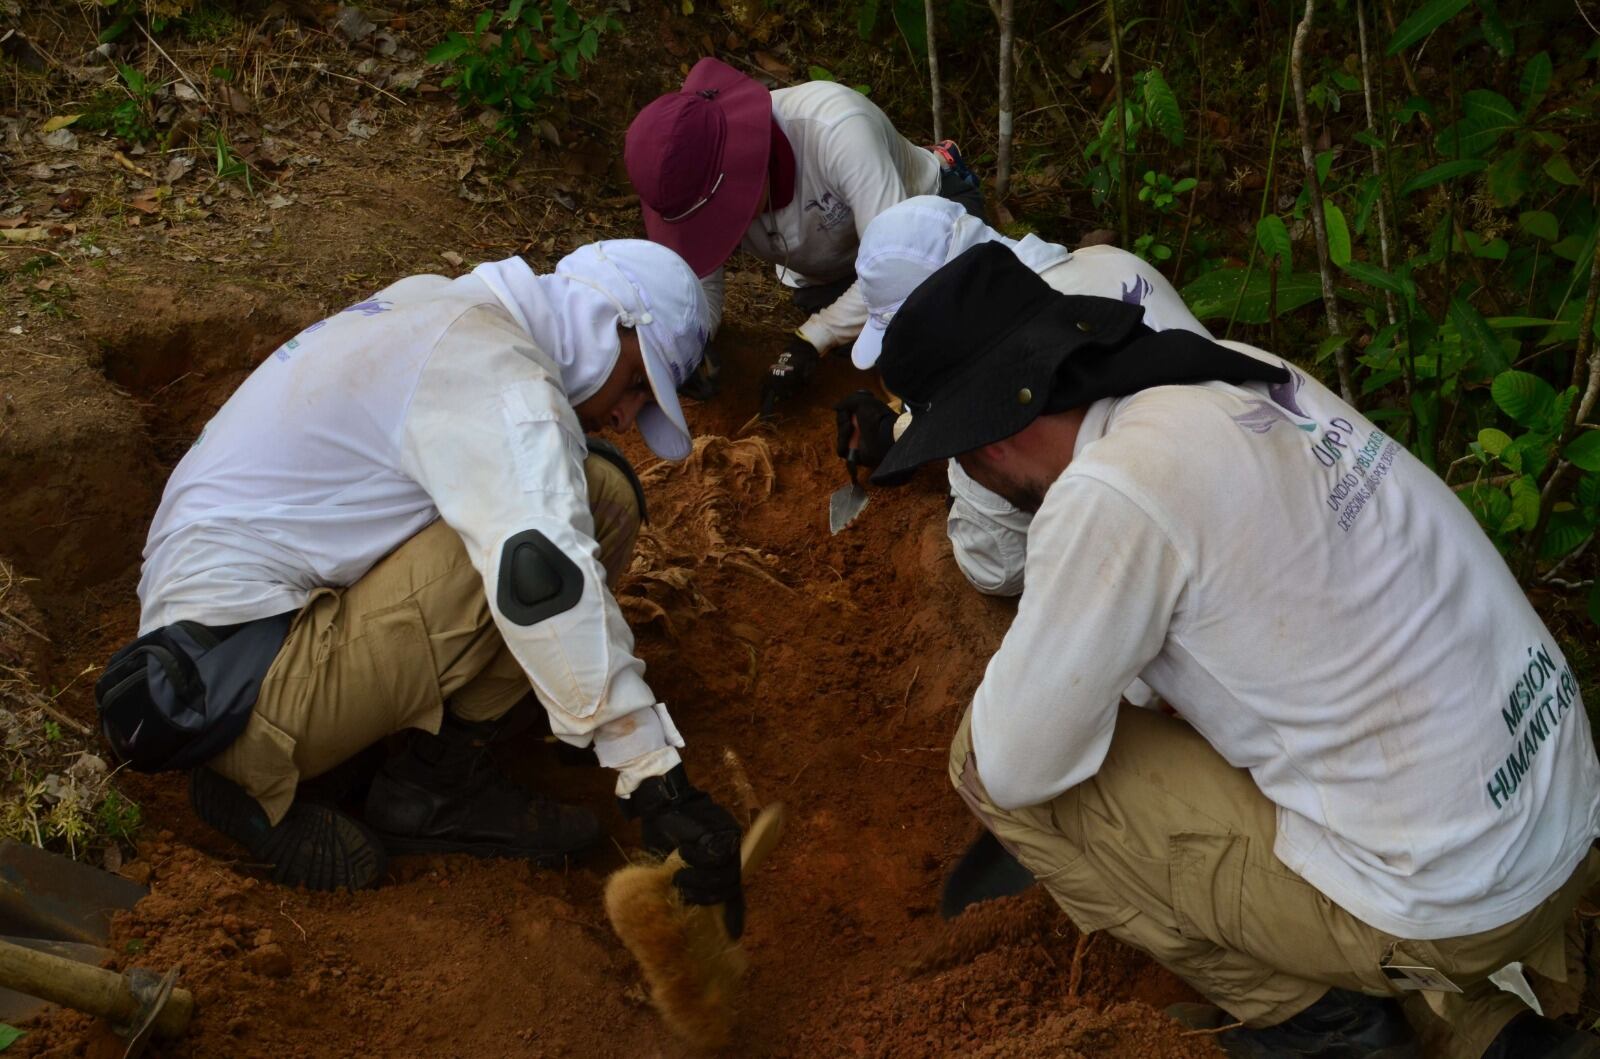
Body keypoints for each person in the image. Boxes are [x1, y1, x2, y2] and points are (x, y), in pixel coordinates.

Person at [870, 241, 1600, 1059]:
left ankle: (1326, 1026)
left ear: (985, 445)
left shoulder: (1109, 491)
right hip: (1562, 812)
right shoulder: (1234, 373)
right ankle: (1487, 1034)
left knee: (990, 764)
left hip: (1464, 899)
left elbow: (1014, 762)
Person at [95, 241, 746, 936]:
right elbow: (541, 575)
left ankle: (387, 759)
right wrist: (654, 776)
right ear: (606, 324)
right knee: (567, 518)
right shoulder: (497, 371)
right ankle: (366, 785)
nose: (626, 415)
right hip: (238, 691)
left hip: (222, 643)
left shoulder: (446, 307)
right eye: (638, 384)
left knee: (590, 488)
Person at [836, 195, 1208, 599]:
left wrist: (943, 445)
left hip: (1193, 556)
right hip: (1242, 450)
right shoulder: (1107, 258)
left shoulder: (994, 392)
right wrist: (905, 428)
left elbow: (997, 566)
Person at [624, 57, 984, 412]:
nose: (717, 227)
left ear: (743, 165)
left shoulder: (836, 130)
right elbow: (701, 283)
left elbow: (899, 267)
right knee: (858, 352)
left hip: (923, 231)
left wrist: (814, 337)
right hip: (829, 272)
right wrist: (687, 347)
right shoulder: (695, 181)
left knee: (937, 335)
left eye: (718, 216)